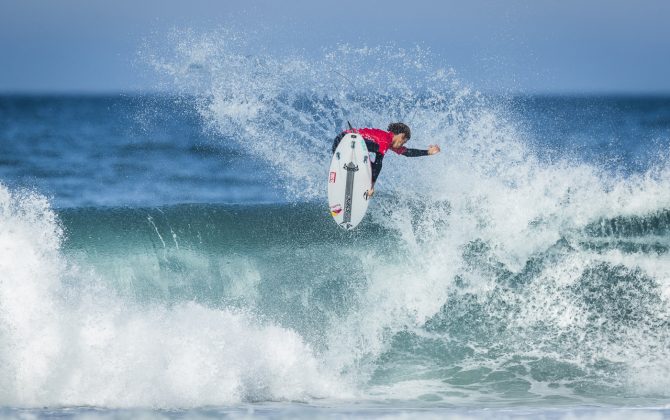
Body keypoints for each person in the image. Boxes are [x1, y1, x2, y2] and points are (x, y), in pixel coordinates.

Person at [331, 122, 441, 197]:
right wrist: (372, 185)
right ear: (402, 136)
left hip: (340, 144)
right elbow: (379, 162)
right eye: (404, 141)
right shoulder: (384, 140)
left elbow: (407, 152)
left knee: (368, 164)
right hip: (346, 140)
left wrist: (427, 152)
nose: (403, 144)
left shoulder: (385, 141)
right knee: (375, 157)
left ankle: (349, 182)